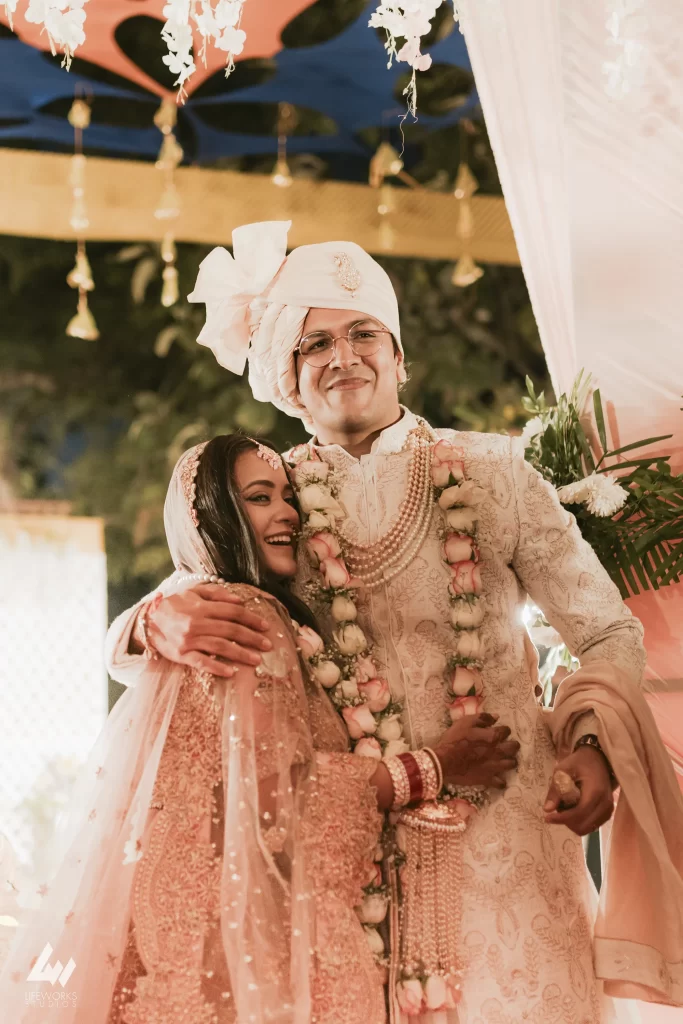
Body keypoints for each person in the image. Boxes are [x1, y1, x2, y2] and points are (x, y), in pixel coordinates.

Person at [107, 222, 683, 1021]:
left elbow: (605, 630)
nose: (343, 356)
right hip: (352, 867)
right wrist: (145, 625)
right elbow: (175, 606)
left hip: (510, 844)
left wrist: (595, 751)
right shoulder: (271, 499)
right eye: (314, 344)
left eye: (363, 333)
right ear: (287, 377)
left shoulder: (495, 472)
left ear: (400, 355)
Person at [0, 432, 518, 1024]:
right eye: (259, 497)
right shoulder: (249, 614)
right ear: (213, 518)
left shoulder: (195, 602)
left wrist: (142, 621)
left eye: (288, 497)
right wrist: (433, 768)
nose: (288, 513)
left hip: (183, 934)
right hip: (254, 941)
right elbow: (275, 797)